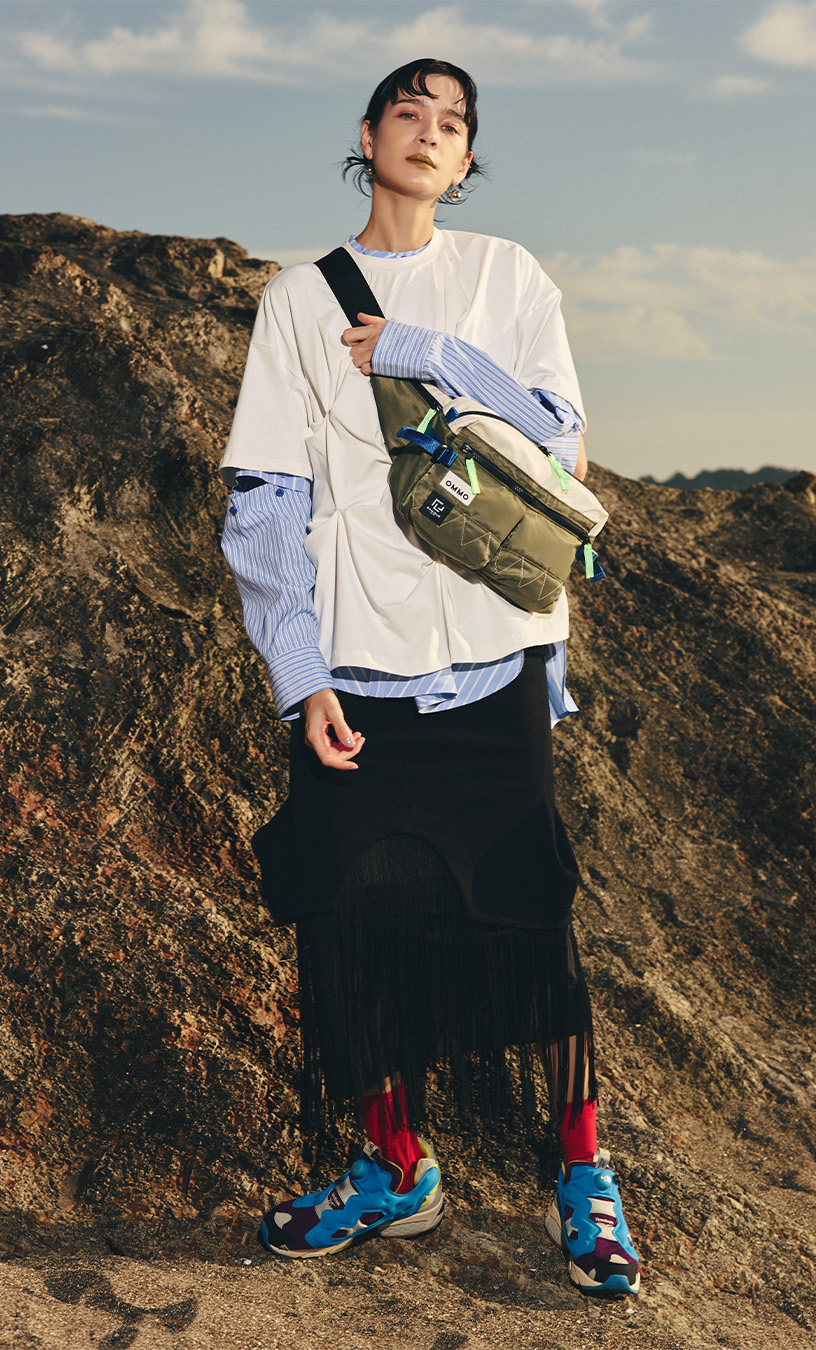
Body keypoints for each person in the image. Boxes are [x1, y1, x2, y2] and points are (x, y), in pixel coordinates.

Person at [219, 58, 640, 1297]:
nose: (431, 131)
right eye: (410, 111)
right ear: (368, 136)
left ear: (464, 164)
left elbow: (560, 442)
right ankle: (395, 1170)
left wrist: (422, 350)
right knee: (354, 931)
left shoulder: (508, 276)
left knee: (531, 924)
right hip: (359, 670)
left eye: (454, 123)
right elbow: (266, 499)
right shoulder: (298, 300)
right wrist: (301, 674)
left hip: (494, 658)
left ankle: (583, 1174)